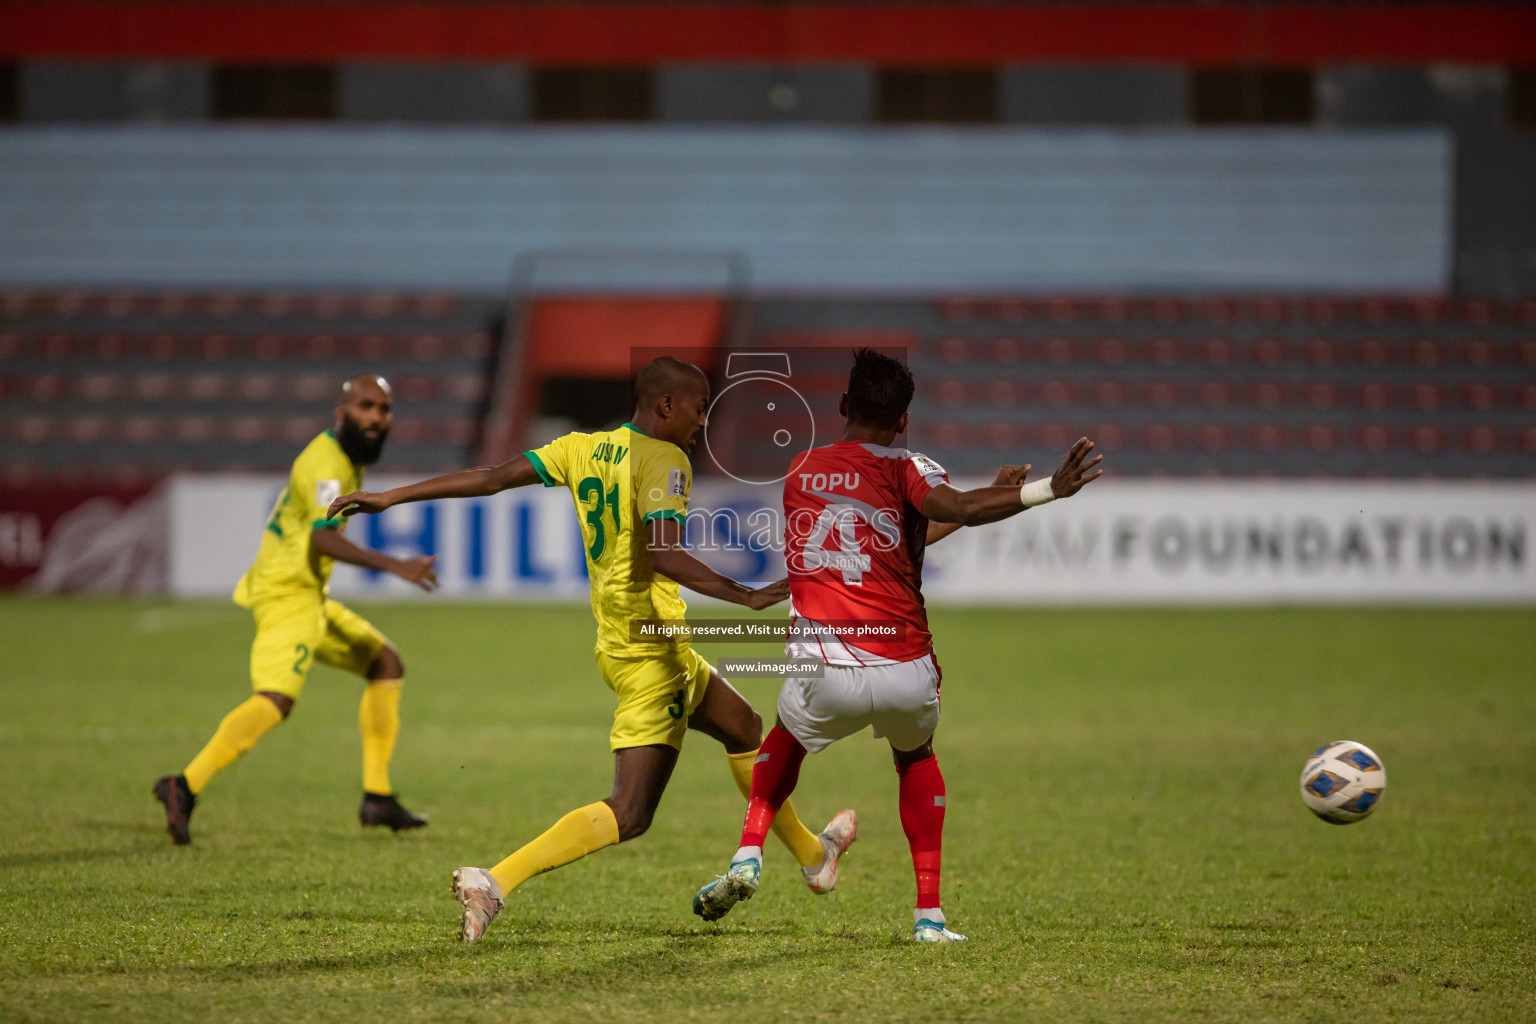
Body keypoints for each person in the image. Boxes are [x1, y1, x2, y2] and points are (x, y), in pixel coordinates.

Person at [328, 356, 856, 942]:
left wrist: (391, 496)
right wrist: (746, 595)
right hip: (651, 655)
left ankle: (815, 857)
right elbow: (662, 551)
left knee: (743, 726)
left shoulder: (582, 448)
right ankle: (495, 881)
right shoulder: (667, 461)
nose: (703, 422)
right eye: (698, 407)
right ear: (664, 405)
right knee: (629, 813)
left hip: (624, 642)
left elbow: (492, 477)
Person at [692, 348, 1102, 942]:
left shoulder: (801, 469)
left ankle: (748, 853)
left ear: (841, 405)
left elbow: (896, 530)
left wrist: (973, 501)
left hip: (828, 667)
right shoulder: (909, 467)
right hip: (904, 666)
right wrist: (1045, 491)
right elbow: (946, 508)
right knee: (916, 759)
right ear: (904, 419)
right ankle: (929, 917)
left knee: (784, 740)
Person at [152, 374, 439, 845]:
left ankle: (377, 797)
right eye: (365, 406)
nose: (375, 417)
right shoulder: (325, 465)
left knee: (385, 662)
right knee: (275, 700)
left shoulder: (345, 459)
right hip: (287, 593)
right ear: (341, 412)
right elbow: (322, 537)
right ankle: (182, 786)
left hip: (308, 595)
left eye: (384, 410)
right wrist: (394, 564)